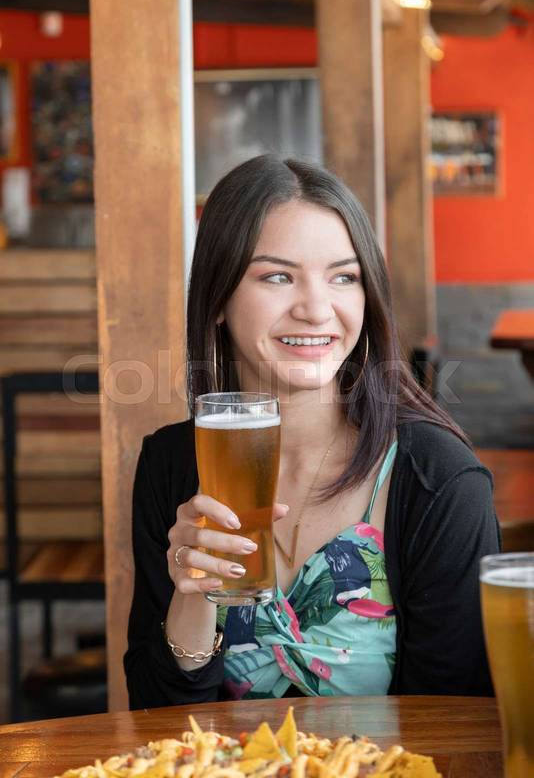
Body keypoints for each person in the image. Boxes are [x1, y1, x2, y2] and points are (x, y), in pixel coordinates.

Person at [125, 154, 500, 709]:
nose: (317, 308)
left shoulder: (437, 478)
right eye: (277, 276)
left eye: (344, 277)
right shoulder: (171, 464)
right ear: (220, 297)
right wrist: (193, 598)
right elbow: (158, 722)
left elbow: (458, 726)